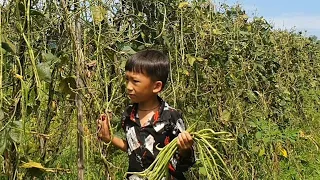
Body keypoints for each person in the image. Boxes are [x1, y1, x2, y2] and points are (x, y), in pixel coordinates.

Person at [97, 50, 195, 180]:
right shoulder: (128, 115)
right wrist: (109, 137)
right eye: (127, 79)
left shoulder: (171, 117)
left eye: (135, 81)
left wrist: (185, 149)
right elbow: (133, 148)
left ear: (156, 86)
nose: (128, 87)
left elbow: (186, 162)